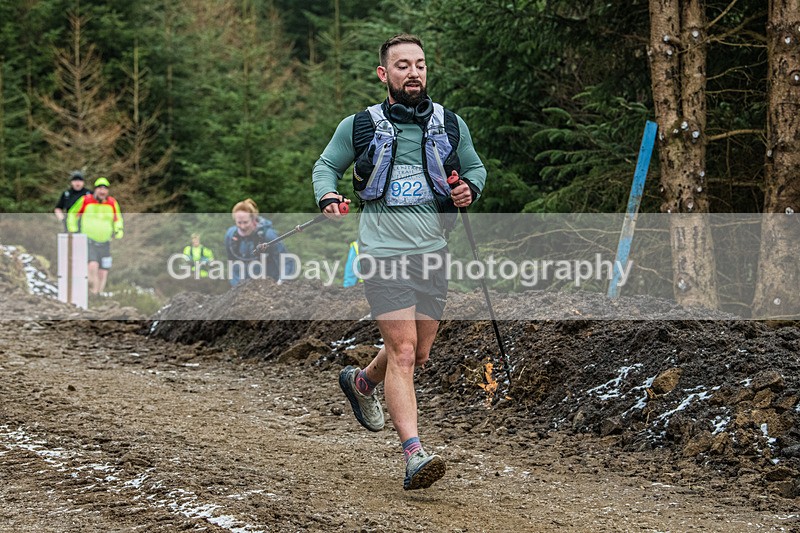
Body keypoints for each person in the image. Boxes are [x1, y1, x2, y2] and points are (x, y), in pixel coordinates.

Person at [312, 34, 486, 490]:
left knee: (418, 352)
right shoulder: (360, 126)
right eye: (403, 65)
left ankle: (364, 382)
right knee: (404, 351)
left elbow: (475, 168)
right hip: (382, 253)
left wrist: (469, 187)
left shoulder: (449, 124)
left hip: (432, 252)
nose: (414, 73)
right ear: (383, 74)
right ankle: (414, 454)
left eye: (421, 65)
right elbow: (325, 166)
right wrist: (328, 194)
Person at [66, 177, 124, 295]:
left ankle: (98, 294)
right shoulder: (86, 200)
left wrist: (118, 230)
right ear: (95, 190)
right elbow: (72, 214)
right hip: (88, 240)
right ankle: (92, 292)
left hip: (105, 242)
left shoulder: (112, 202)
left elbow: (117, 219)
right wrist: (73, 228)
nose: (102, 192)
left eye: (105, 189)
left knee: (103, 271)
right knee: (92, 265)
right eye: (100, 189)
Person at [224, 198, 295, 287]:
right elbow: (232, 263)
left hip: (269, 284)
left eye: (246, 222)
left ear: (253, 219)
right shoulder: (230, 236)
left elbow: (285, 261)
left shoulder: (268, 235)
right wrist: (236, 286)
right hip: (244, 287)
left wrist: (281, 283)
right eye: (239, 223)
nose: (242, 226)